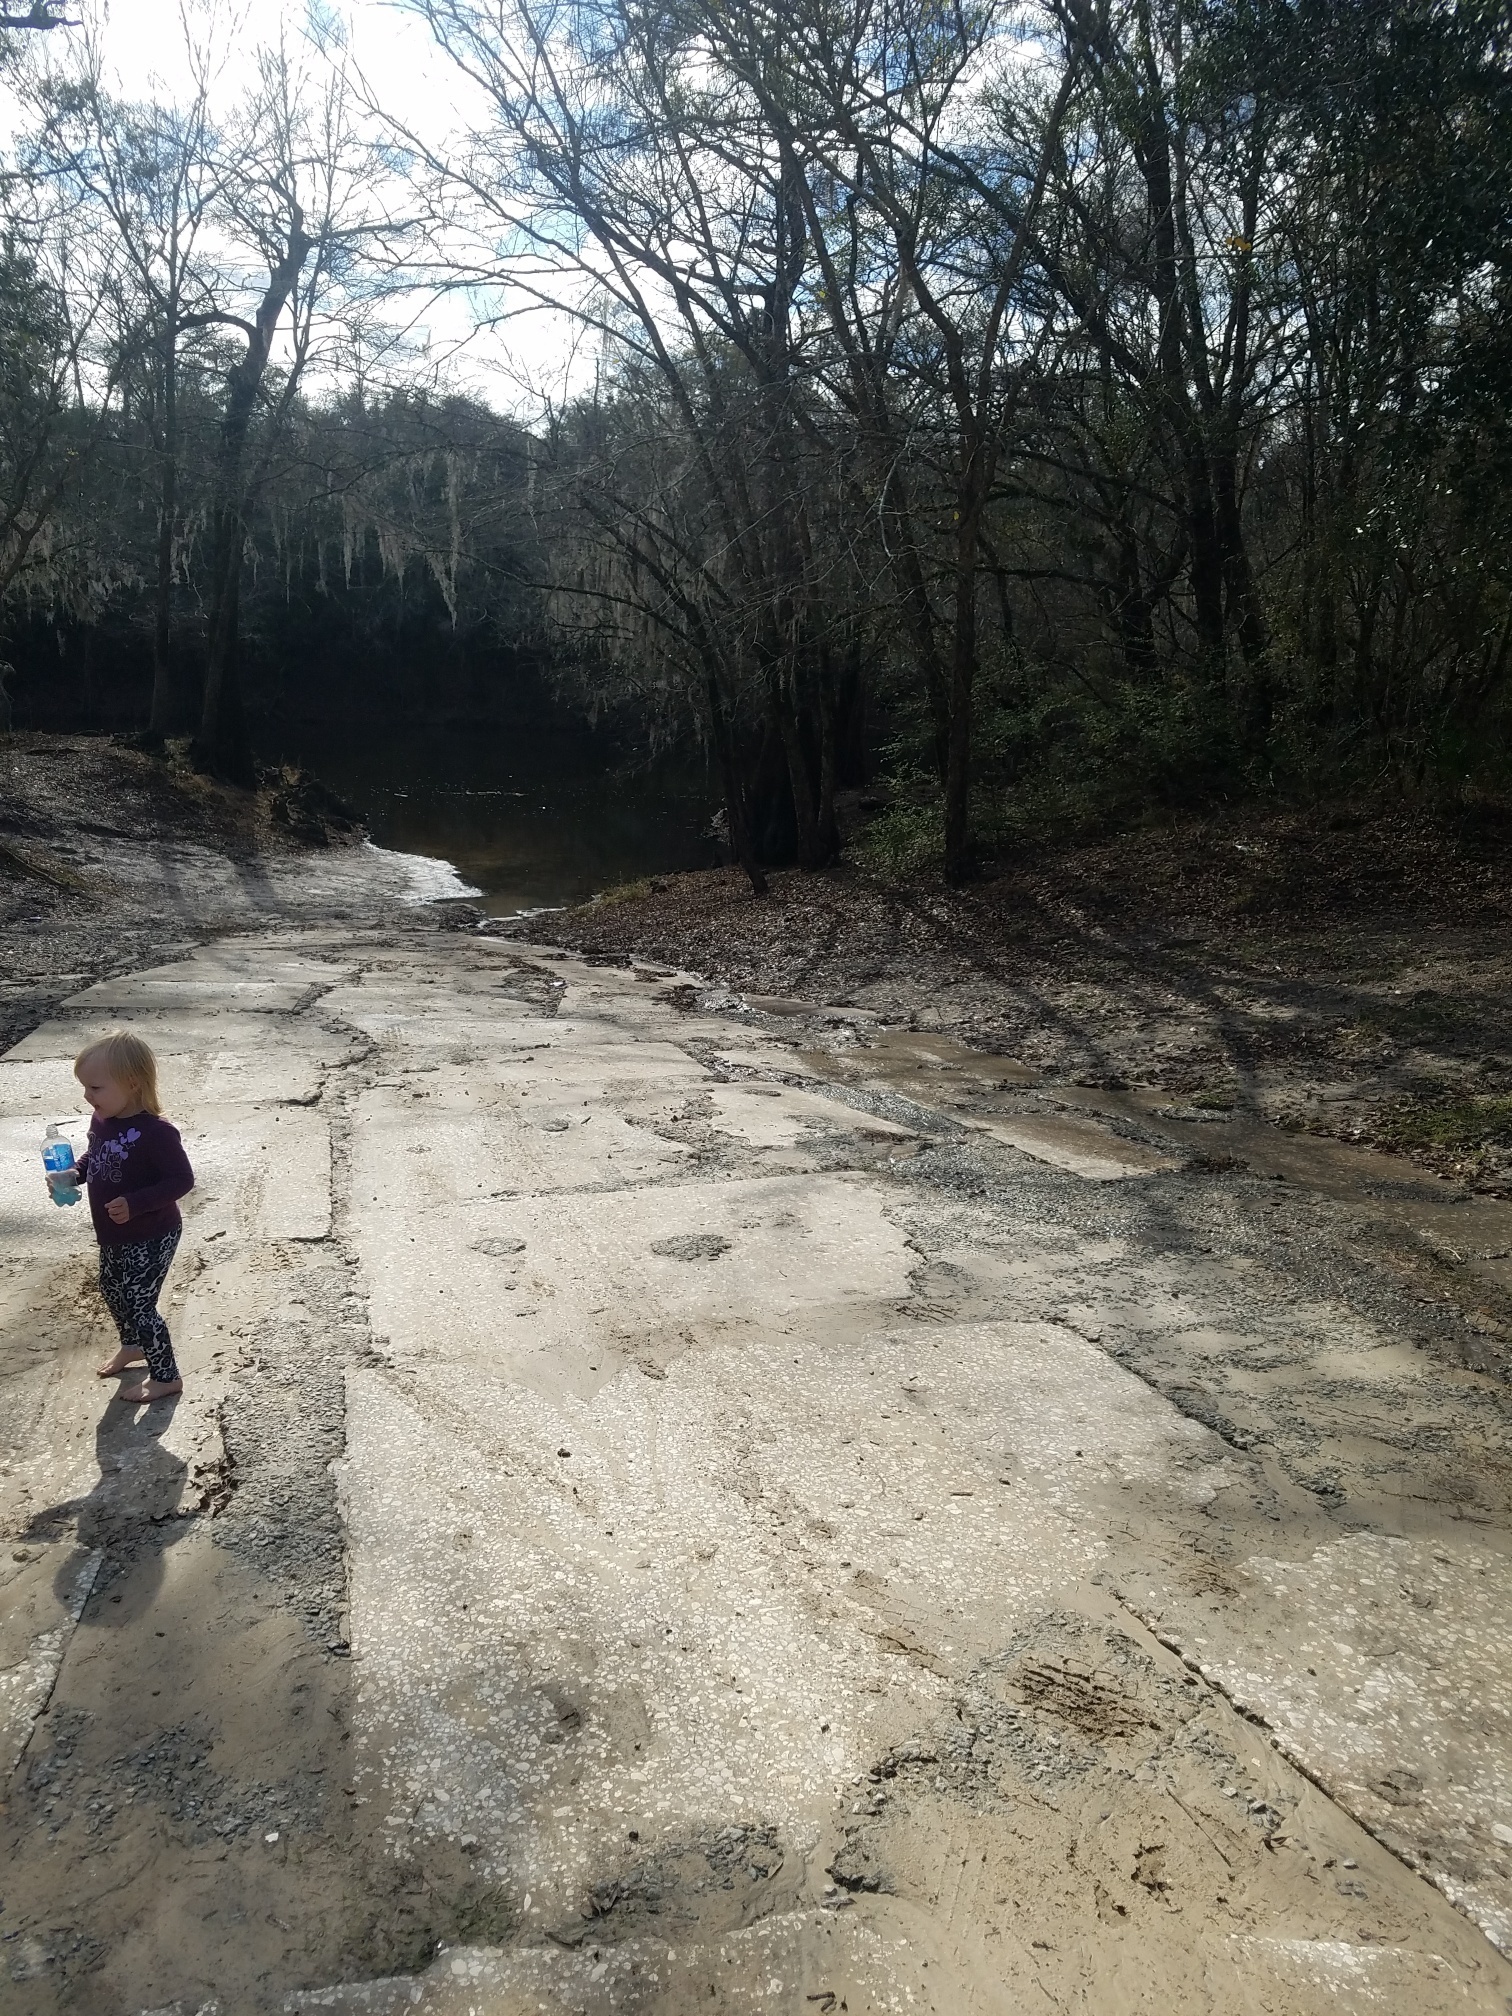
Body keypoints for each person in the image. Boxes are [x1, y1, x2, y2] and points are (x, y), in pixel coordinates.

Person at [51, 1031, 195, 1404]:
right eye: (85, 1087)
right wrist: (74, 1174)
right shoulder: (102, 1119)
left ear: (132, 1083)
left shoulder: (157, 1133)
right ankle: (132, 1346)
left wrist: (137, 1202)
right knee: (112, 1289)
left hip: (152, 1232)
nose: (87, 1096)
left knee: (139, 1302)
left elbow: (182, 1179)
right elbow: (95, 1157)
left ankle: (166, 1376)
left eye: (95, 1087)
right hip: (114, 1234)